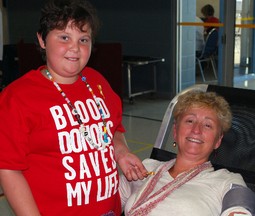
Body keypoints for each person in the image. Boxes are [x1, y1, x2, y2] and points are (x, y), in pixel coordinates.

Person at [0, 0, 147, 215]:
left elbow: (113, 129)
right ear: (42, 40)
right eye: (64, 37)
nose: (75, 48)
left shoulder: (97, 82)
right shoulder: (18, 97)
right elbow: (9, 169)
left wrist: (121, 152)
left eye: (83, 39)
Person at [119, 91, 255, 216]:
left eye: (208, 125)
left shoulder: (226, 181)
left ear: (218, 141)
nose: (196, 130)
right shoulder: (145, 168)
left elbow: (242, 206)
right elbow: (102, 201)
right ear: (175, 131)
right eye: (190, 121)